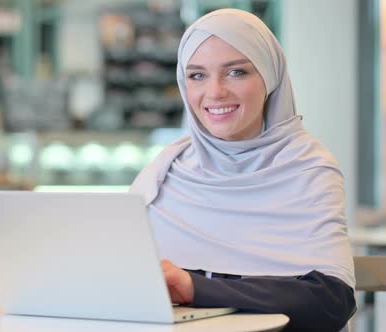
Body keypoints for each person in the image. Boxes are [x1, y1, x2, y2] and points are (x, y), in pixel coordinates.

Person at [130, 8, 356, 332]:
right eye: (197, 75)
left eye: (236, 72)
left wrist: (195, 288)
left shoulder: (307, 167)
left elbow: (331, 302)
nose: (215, 92)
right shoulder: (165, 171)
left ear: (270, 75)